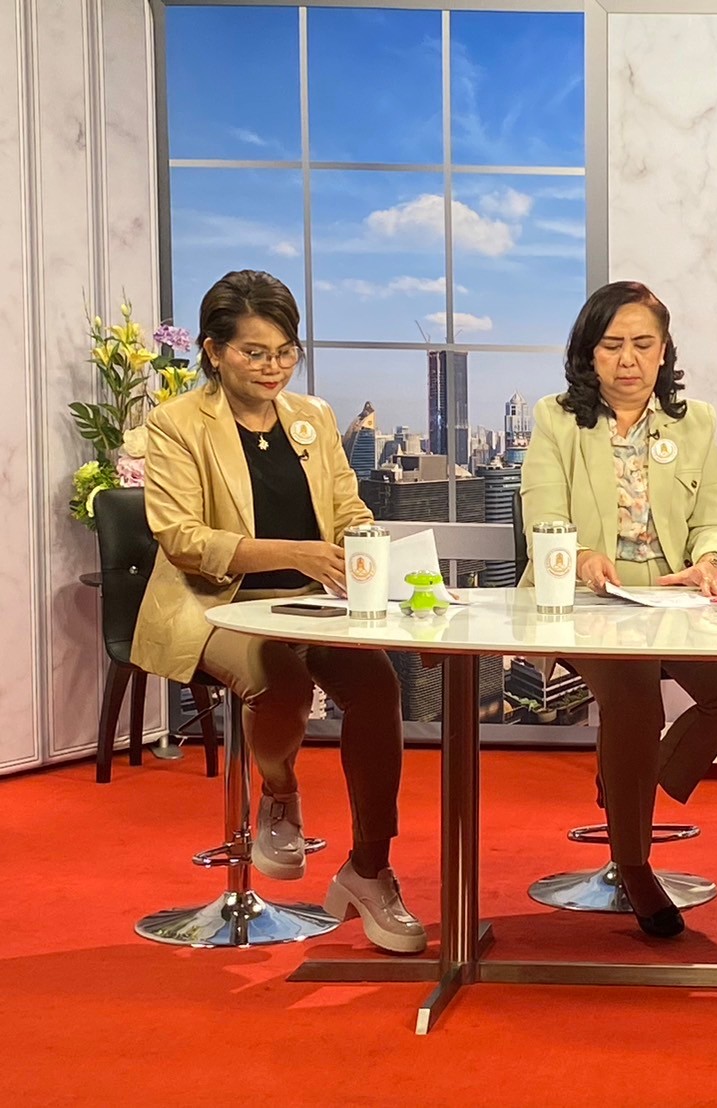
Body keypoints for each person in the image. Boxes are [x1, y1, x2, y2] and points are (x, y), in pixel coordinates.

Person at [132, 270, 425, 955]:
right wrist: (294, 552)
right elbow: (183, 539)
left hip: (312, 601)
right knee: (280, 678)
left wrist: (362, 546)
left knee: (376, 686)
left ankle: (370, 870)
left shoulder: (312, 418)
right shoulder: (177, 424)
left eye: (285, 351)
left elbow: (348, 508)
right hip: (218, 604)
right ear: (213, 351)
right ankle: (281, 792)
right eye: (254, 352)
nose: (273, 367)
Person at [519, 280, 717, 938]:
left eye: (642, 344)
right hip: (584, 600)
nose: (627, 360)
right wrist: (581, 557)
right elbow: (542, 514)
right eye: (612, 345)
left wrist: (709, 561)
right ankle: (633, 863)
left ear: (664, 351)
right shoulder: (557, 419)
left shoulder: (693, 423)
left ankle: (634, 776)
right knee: (633, 699)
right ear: (588, 352)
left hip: (669, 599)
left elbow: (714, 516)